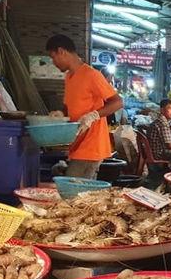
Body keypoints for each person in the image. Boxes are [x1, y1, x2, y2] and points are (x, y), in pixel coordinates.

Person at [46, 34, 123, 179]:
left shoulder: (91, 75)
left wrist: (93, 115)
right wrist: (61, 114)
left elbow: (117, 102)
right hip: (77, 143)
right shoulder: (69, 77)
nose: (53, 62)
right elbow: (70, 106)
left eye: (53, 57)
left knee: (75, 192)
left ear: (62, 51)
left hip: (91, 145)